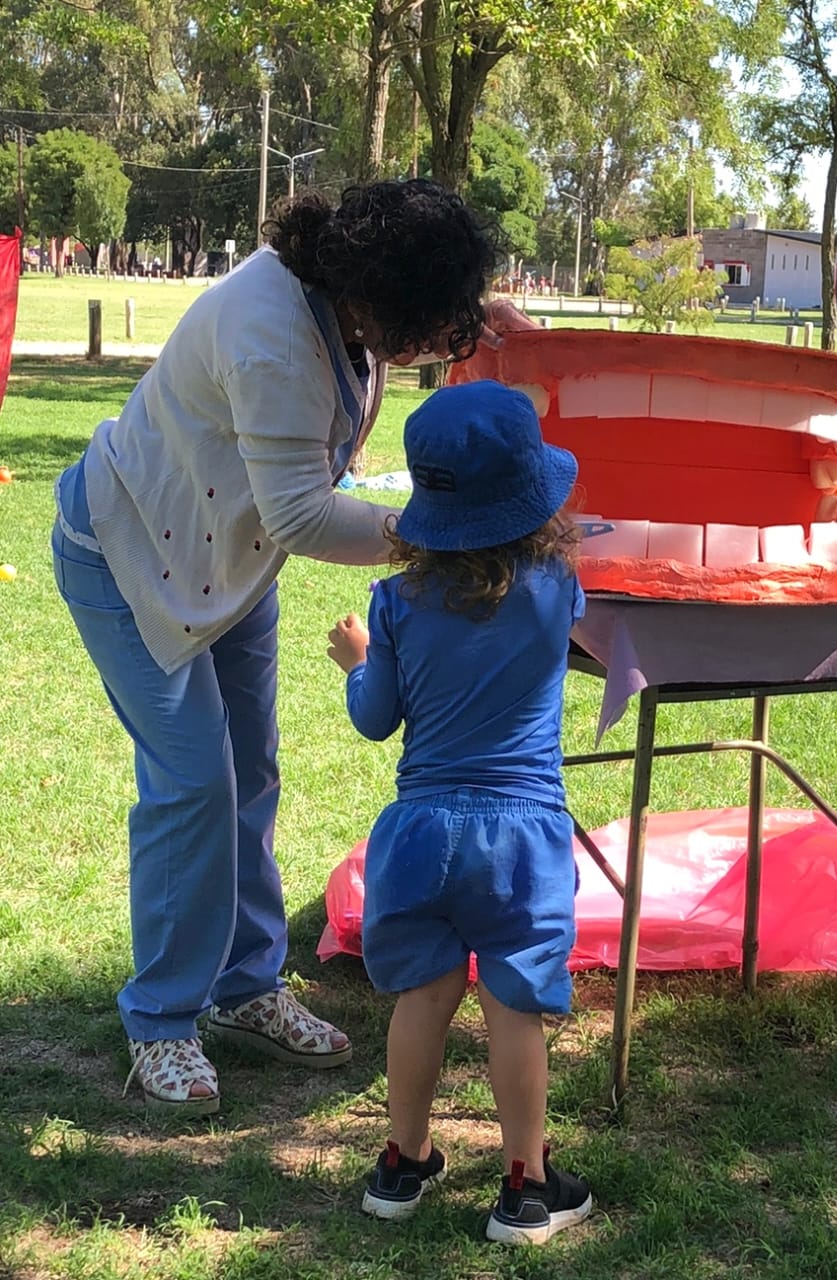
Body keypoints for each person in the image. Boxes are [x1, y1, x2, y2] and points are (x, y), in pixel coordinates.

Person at [51, 178, 526, 1117]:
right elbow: (304, 514)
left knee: (252, 771)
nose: (432, 344)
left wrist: (472, 315)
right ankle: (160, 1020)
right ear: (374, 297)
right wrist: (443, 532)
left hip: (226, 559)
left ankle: (243, 983)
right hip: (129, 553)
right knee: (193, 783)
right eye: (426, 324)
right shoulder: (270, 335)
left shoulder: (341, 296)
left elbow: (294, 488)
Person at [326, 379, 593, 1246]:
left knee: (425, 996)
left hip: (420, 838)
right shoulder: (556, 588)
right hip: (523, 837)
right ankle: (525, 1184)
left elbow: (376, 719)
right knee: (514, 1010)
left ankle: (403, 1163)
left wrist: (358, 662)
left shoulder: (396, 602)